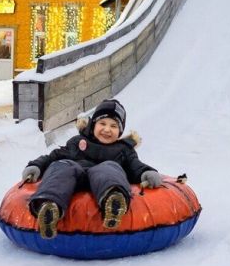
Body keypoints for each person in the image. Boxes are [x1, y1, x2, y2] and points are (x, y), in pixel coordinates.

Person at [20, 99, 163, 239]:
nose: (107, 129)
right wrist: (37, 165)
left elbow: (134, 165)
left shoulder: (123, 150)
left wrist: (146, 172)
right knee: (62, 165)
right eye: (102, 123)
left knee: (109, 167)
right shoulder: (78, 142)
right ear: (93, 124)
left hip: (104, 180)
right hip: (74, 177)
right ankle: (49, 206)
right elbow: (54, 156)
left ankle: (113, 202)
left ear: (120, 132)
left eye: (114, 126)